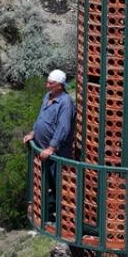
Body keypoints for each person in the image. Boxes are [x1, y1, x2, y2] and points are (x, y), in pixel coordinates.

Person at [22, 69, 74, 224]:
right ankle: (48, 214)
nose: (47, 86)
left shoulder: (65, 103)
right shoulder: (48, 96)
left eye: (51, 83)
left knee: (59, 184)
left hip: (56, 154)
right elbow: (42, 117)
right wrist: (33, 132)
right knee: (47, 183)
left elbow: (63, 128)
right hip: (43, 149)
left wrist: (52, 148)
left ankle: (63, 218)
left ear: (59, 85)